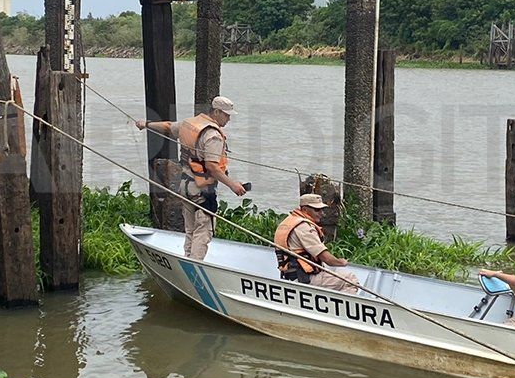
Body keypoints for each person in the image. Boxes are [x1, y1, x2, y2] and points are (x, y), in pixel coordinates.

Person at [135, 96, 246, 260]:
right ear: (216, 112)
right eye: (226, 115)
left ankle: (187, 259)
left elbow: (167, 126)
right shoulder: (213, 135)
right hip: (202, 190)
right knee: (204, 231)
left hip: (184, 186)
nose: (228, 118)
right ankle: (195, 265)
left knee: (190, 230)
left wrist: (146, 124)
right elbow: (212, 167)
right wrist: (233, 185)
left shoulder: (189, 124)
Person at [273, 194, 360, 293]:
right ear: (305, 210)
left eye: (322, 210)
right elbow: (327, 259)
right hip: (304, 279)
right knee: (350, 279)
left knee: (333, 274)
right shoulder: (304, 227)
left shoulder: (289, 221)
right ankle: (338, 308)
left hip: (290, 276)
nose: (321, 213)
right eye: (317, 210)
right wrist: (341, 262)